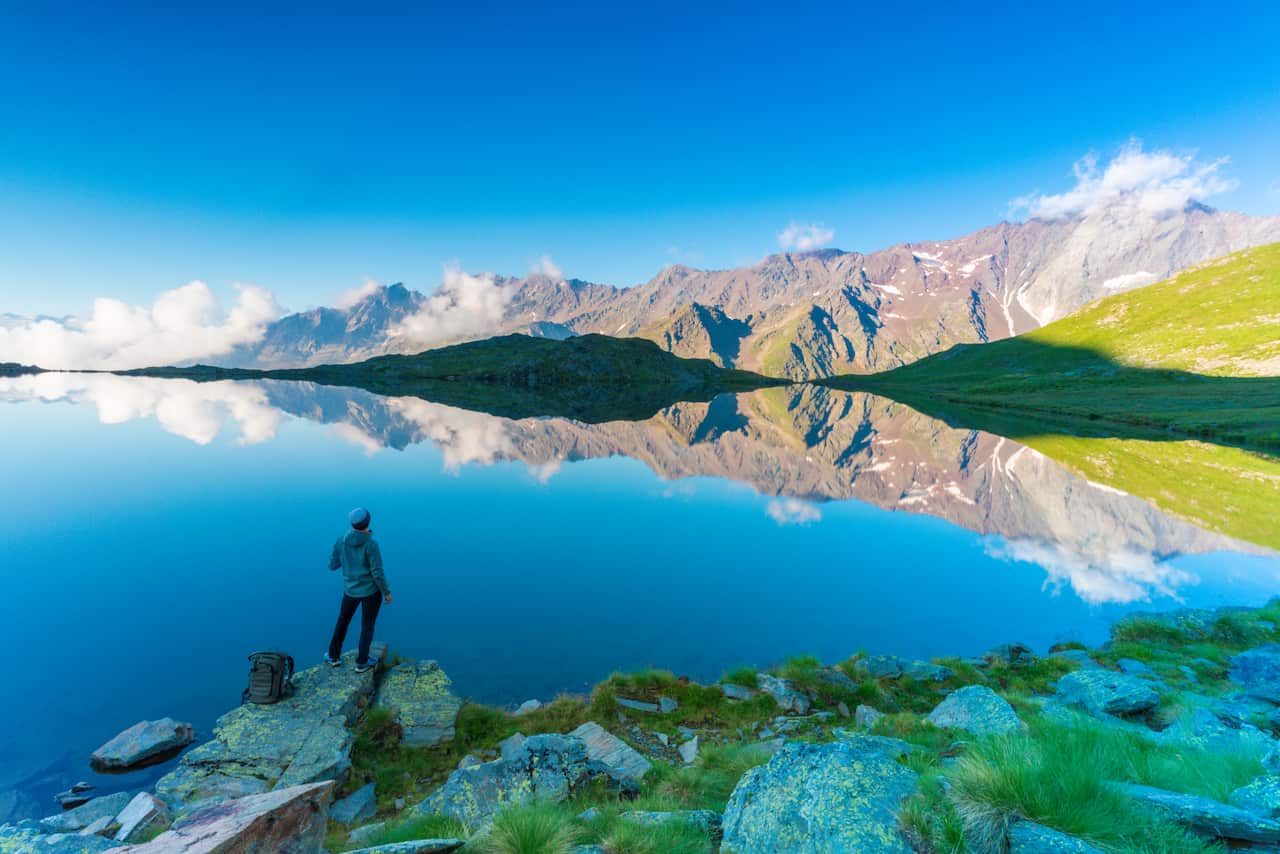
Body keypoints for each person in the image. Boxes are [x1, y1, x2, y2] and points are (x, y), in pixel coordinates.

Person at [325, 507, 391, 672]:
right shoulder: (371, 544)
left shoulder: (341, 540)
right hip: (371, 592)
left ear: (352, 523)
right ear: (367, 523)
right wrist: (387, 592)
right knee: (367, 626)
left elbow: (332, 565)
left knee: (343, 621)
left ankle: (333, 656)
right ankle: (362, 662)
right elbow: (377, 572)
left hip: (350, 591)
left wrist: (344, 556)